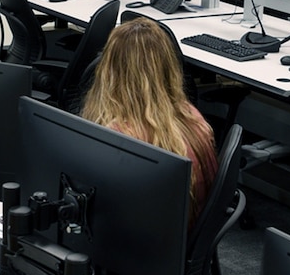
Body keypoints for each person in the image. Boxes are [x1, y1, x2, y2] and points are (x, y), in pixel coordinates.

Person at [79, 17, 218, 226]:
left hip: (143, 248)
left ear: (110, 70)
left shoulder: (120, 139)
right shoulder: (192, 116)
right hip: (183, 239)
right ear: (168, 67)